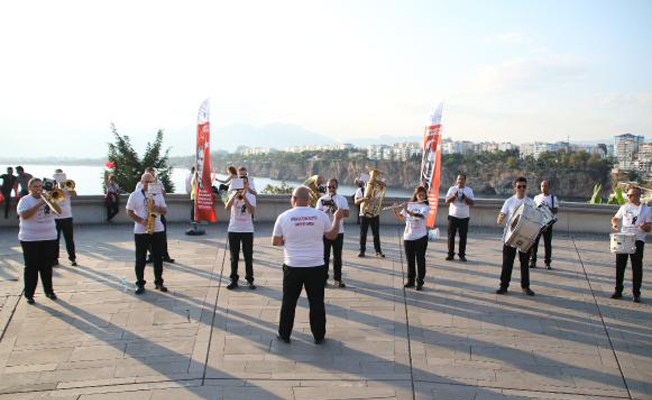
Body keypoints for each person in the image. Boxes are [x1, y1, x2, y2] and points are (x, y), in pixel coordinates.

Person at [272, 186, 345, 344]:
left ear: (294, 198)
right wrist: (337, 219)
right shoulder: (320, 216)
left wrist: (289, 240)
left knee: (289, 302)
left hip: (293, 265)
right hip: (316, 266)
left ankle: (284, 334)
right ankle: (318, 336)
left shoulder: (284, 216)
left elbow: (276, 241)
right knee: (317, 302)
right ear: (309, 200)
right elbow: (332, 236)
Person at [17, 178, 62, 304]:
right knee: (31, 266)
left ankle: (49, 291)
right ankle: (29, 294)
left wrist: (49, 201)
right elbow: (24, 215)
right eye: (36, 186)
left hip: (48, 237)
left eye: (40, 186)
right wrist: (39, 204)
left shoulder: (48, 198)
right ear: (30, 188)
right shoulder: (24, 200)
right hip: (29, 238)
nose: (39, 189)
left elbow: (59, 212)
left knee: (46, 266)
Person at [126, 173, 168, 295]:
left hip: (157, 229)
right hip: (141, 230)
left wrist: (157, 208)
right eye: (146, 182)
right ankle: (140, 284)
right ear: (141, 182)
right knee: (140, 258)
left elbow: (165, 211)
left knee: (158, 257)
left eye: (151, 182)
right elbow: (129, 211)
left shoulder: (158, 195)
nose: (148, 184)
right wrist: (140, 220)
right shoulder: (135, 195)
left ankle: (159, 282)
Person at [496, 177, 536, 296]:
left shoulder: (531, 202)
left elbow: (536, 219)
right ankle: (503, 286)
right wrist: (501, 218)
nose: (522, 189)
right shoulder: (509, 201)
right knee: (507, 262)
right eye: (519, 186)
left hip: (525, 236)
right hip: (510, 236)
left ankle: (525, 287)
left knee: (524, 263)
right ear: (515, 188)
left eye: (524, 186)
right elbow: (500, 218)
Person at [611, 187, 651, 303]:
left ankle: (636, 293)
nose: (628, 197)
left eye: (630, 195)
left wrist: (644, 227)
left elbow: (648, 227)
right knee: (620, 266)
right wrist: (614, 224)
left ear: (638, 196)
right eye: (628, 195)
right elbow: (615, 218)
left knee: (637, 267)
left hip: (637, 240)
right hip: (624, 238)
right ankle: (618, 291)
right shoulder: (624, 207)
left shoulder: (646, 209)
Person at [392, 186, 430, 290]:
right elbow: (400, 218)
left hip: (420, 237)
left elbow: (420, 216)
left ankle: (420, 281)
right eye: (419, 195)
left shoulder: (426, 207)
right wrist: (395, 210)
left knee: (420, 260)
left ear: (425, 195)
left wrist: (407, 211)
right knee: (410, 260)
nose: (421, 196)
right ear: (416, 195)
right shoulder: (410, 205)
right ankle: (410, 280)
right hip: (408, 237)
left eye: (423, 195)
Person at [315, 178, 350, 287]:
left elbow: (347, 213)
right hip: (325, 231)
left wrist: (335, 207)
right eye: (329, 187)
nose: (331, 189)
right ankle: (323, 279)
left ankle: (337, 279)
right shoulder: (321, 200)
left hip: (338, 231)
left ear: (337, 187)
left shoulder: (342, 199)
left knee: (337, 256)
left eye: (333, 186)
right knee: (324, 256)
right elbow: (316, 215)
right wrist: (325, 211)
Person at [225, 176, 257, 290]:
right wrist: (234, 195)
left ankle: (250, 279)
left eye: (245, 183)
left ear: (248, 185)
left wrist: (245, 198)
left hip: (247, 229)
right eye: (241, 183)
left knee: (248, 256)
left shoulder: (252, 197)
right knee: (234, 256)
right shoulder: (232, 195)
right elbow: (227, 207)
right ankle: (233, 280)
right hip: (234, 229)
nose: (243, 185)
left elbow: (252, 211)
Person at [141, 167, 174, 263]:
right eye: (148, 175)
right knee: (147, 236)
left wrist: (156, 188)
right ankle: (151, 255)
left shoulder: (158, 182)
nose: (150, 178)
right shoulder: (140, 185)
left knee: (162, 235)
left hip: (158, 214)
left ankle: (165, 255)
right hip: (146, 214)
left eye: (152, 175)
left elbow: (163, 194)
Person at [445, 174, 474, 262]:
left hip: (464, 217)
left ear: (465, 180)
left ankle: (462, 255)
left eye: (461, 179)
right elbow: (446, 201)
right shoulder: (452, 189)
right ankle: (450, 254)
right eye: (458, 179)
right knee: (451, 236)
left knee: (463, 237)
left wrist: (465, 198)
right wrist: (454, 196)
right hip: (453, 216)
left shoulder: (469, 190)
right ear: (456, 180)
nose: (460, 181)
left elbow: (472, 203)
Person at [354, 175, 385, 258]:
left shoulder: (377, 190)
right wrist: (364, 199)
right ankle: (362, 251)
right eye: (369, 182)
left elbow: (384, 186)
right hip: (363, 214)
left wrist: (376, 181)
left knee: (376, 234)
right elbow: (356, 201)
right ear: (366, 183)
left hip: (374, 214)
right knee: (363, 233)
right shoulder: (360, 190)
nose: (371, 183)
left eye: (371, 182)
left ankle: (378, 251)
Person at [530, 180, 558, 269]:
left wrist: (546, 207)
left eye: (545, 186)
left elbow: (556, 210)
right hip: (538, 223)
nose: (543, 188)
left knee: (547, 244)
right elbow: (533, 209)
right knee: (534, 243)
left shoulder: (553, 198)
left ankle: (547, 263)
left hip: (548, 224)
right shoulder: (536, 197)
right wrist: (538, 207)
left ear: (548, 187)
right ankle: (533, 262)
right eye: (542, 186)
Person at [53, 169, 77, 267]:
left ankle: (72, 258)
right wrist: (55, 189)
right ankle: (54, 259)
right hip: (55, 217)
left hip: (67, 217)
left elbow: (75, 195)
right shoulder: (52, 187)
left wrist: (68, 188)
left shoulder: (68, 185)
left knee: (69, 239)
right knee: (55, 239)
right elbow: (53, 200)